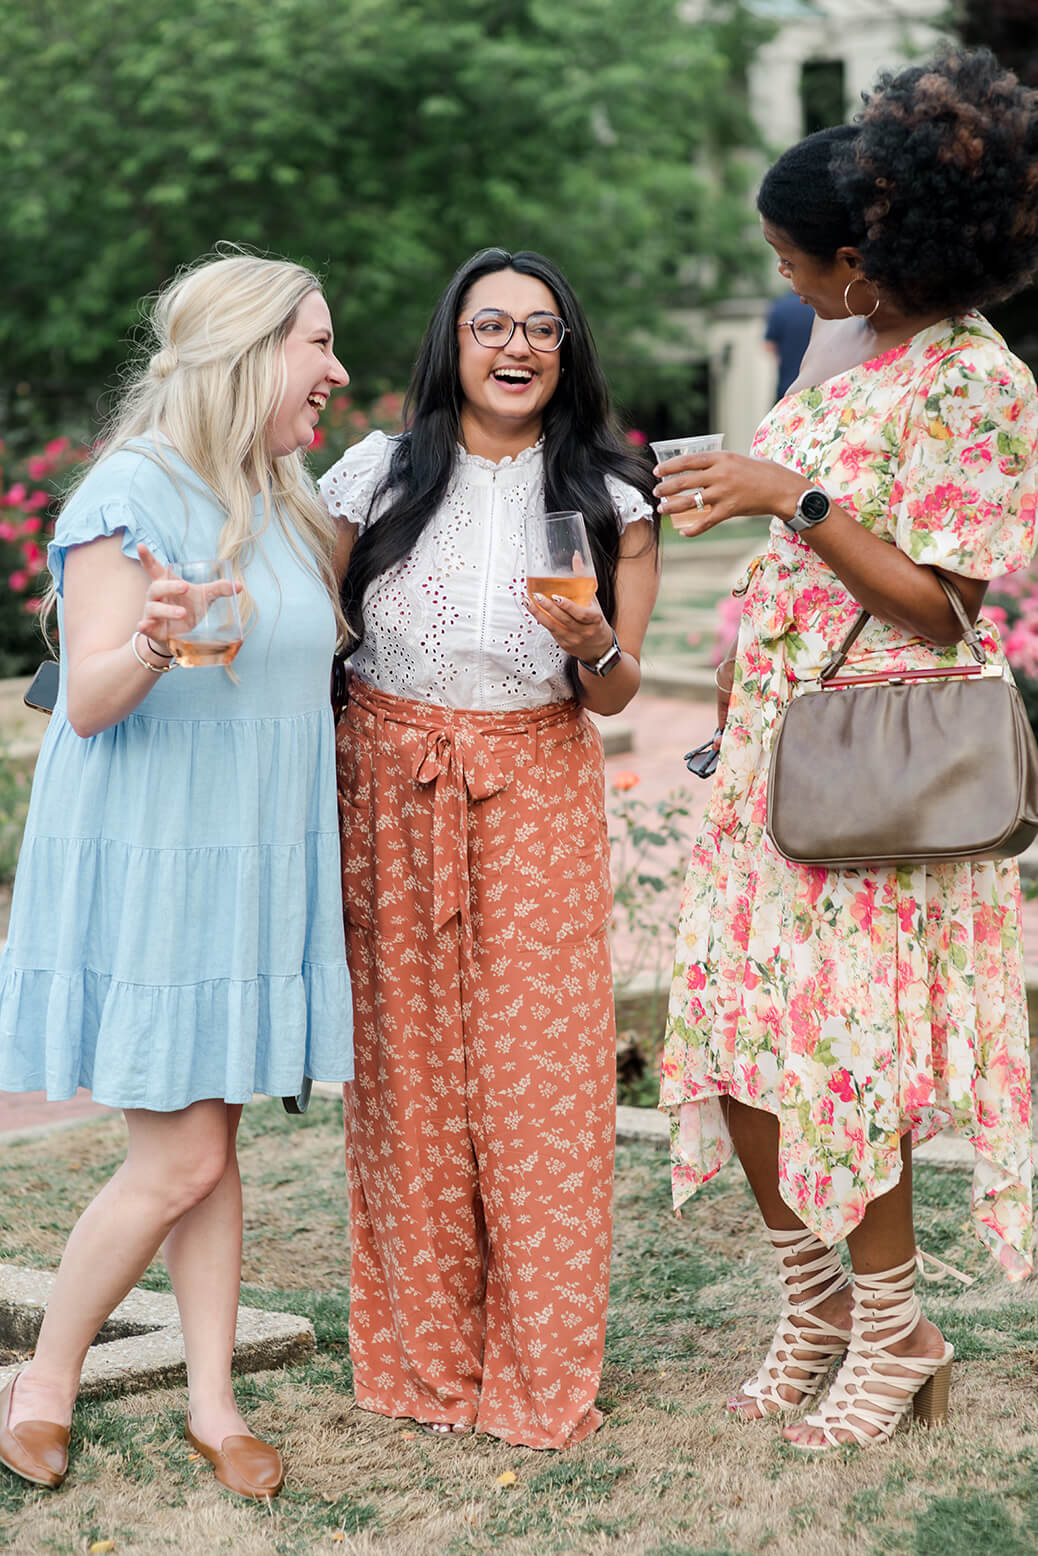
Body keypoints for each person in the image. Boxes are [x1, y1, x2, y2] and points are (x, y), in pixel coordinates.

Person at [656, 48, 1038, 1451]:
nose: (782, 275)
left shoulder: (978, 381)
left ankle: (899, 1332)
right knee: (738, 1038)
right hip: (768, 747)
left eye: (789, 258)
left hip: (873, 768)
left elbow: (945, 605)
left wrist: (790, 495)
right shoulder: (853, 354)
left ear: (861, 266)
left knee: (840, 1051)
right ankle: (814, 1305)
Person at [0, 252, 354, 1497]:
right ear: (249, 354)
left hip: (250, 860)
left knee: (213, 1136)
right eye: (317, 344)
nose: (337, 370)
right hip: (157, 857)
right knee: (184, 1155)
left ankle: (213, 1400)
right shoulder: (130, 490)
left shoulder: (282, 490)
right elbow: (90, 701)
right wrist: (154, 641)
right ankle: (41, 1382)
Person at [319, 247, 660, 1449]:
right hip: (386, 788)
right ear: (452, 343)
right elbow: (310, 625)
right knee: (406, 1077)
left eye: (542, 327)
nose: (517, 346)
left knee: (539, 1084)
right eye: (491, 325)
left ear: (568, 350)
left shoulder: (613, 493)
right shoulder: (377, 472)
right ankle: (424, 1363)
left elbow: (615, 689)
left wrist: (592, 640)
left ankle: (539, 1372)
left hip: (534, 786)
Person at [764, 290, 815, 401]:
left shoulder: (779, 306)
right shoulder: (821, 305)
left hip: (787, 385)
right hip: (817, 385)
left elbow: (769, 345)